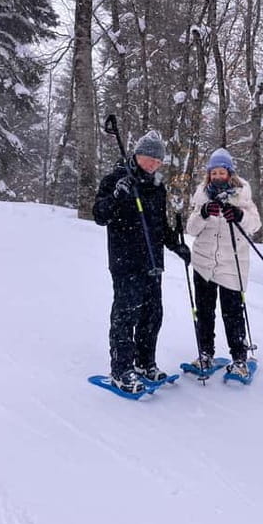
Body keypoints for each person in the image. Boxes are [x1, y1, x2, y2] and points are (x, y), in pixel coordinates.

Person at [93, 132, 191, 394]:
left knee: (152, 316)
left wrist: (176, 245)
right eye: (149, 159)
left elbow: (159, 226)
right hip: (126, 261)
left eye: (157, 162)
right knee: (126, 315)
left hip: (152, 263)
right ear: (137, 155)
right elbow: (99, 215)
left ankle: (145, 362)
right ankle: (121, 370)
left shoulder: (156, 187)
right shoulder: (116, 180)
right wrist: (116, 196)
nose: (153, 165)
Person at [186, 148, 261, 378]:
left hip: (232, 264)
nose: (218, 176)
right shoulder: (201, 197)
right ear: (209, 175)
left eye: (222, 172)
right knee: (205, 312)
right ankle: (205, 353)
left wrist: (239, 216)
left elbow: (255, 224)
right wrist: (204, 213)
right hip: (203, 264)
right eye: (214, 172)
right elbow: (191, 229)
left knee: (232, 313)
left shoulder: (242, 196)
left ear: (229, 174)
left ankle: (239, 359)